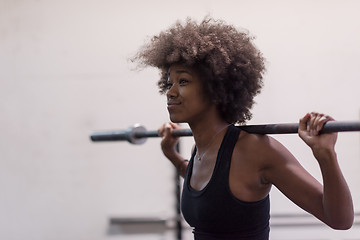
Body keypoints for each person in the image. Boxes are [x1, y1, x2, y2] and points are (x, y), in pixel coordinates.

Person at [133, 17, 354, 240]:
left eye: (183, 81)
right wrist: (172, 155)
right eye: (169, 83)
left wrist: (325, 155)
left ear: (215, 89)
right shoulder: (200, 150)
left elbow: (340, 219)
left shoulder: (254, 150)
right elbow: (212, 191)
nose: (170, 92)